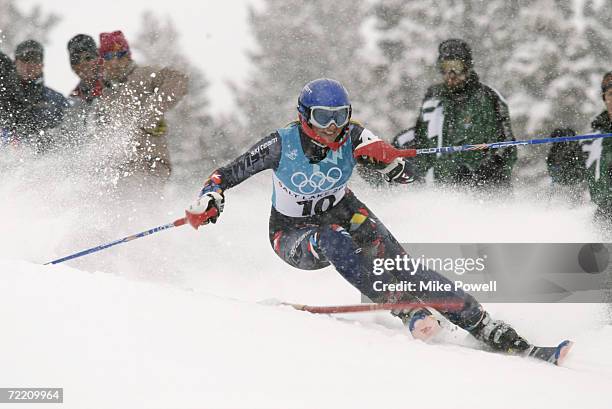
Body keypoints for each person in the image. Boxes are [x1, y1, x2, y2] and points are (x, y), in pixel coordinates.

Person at [183, 78, 539, 355]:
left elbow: (386, 155)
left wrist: (395, 166)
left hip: (345, 208)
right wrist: (210, 198)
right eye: (324, 117)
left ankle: (484, 324)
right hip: (292, 232)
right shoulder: (280, 144)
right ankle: (405, 309)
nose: (333, 126)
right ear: (304, 115)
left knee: (404, 268)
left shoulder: (351, 136)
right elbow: (225, 175)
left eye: (341, 116)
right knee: (332, 238)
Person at [394, 39, 516, 189]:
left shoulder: (488, 98)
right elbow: (422, 143)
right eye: (445, 67)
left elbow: (508, 147)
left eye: (456, 67)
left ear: (467, 67)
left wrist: (487, 171)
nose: (451, 74)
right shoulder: (432, 98)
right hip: (441, 193)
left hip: (482, 192)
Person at [95, 30, 188, 182]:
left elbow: (178, 80)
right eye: (109, 56)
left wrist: (153, 108)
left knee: (144, 200)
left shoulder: (143, 75)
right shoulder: (105, 94)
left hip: (150, 163)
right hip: (118, 173)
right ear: (103, 61)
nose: (115, 62)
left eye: (121, 54)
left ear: (128, 55)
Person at [12, 40, 68, 151]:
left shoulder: (57, 100)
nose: (30, 65)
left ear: (42, 65)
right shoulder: (4, 98)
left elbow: (70, 135)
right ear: (15, 63)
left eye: (35, 60)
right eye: (25, 59)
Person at [584, 72, 612, 222]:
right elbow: (569, 177)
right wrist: (562, 154)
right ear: (605, 98)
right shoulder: (592, 140)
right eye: (611, 94)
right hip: (604, 217)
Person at [67, 34, 103, 105]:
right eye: (76, 60)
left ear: (98, 58)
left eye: (88, 58)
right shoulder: (74, 99)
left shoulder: (116, 85)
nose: (82, 64)